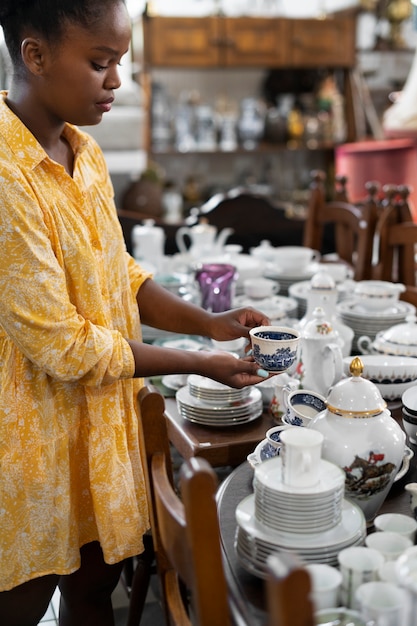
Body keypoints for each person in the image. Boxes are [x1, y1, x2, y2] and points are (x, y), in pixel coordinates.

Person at [0, 1, 271, 624]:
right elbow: (64, 346)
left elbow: (117, 273)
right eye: (100, 63)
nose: (116, 81)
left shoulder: (84, 154)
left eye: (119, 62)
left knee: (96, 592)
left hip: (102, 423)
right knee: (22, 600)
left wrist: (209, 322)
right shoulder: (9, 175)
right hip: (33, 439)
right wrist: (199, 362)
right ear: (35, 55)